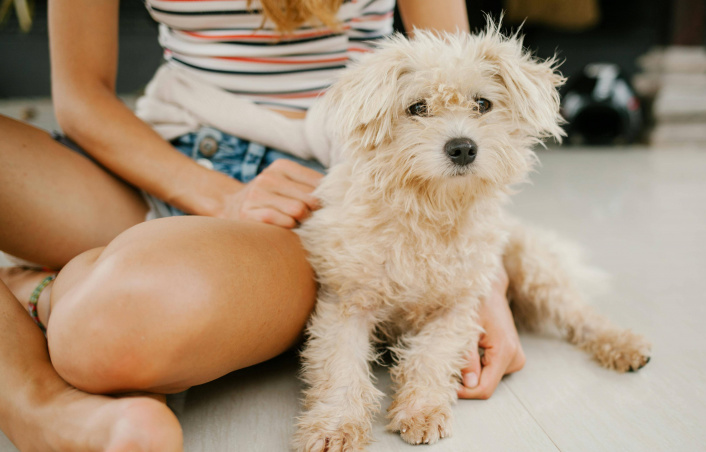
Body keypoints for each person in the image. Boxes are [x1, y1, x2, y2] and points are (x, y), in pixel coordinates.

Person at [0, 0, 526, 450]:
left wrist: (480, 277)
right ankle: (36, 402)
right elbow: (81, 94)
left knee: (105, 332)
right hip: (155, 158)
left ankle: (43, 289)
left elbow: (463, 93)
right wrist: (219, 195)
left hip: (318, 198)